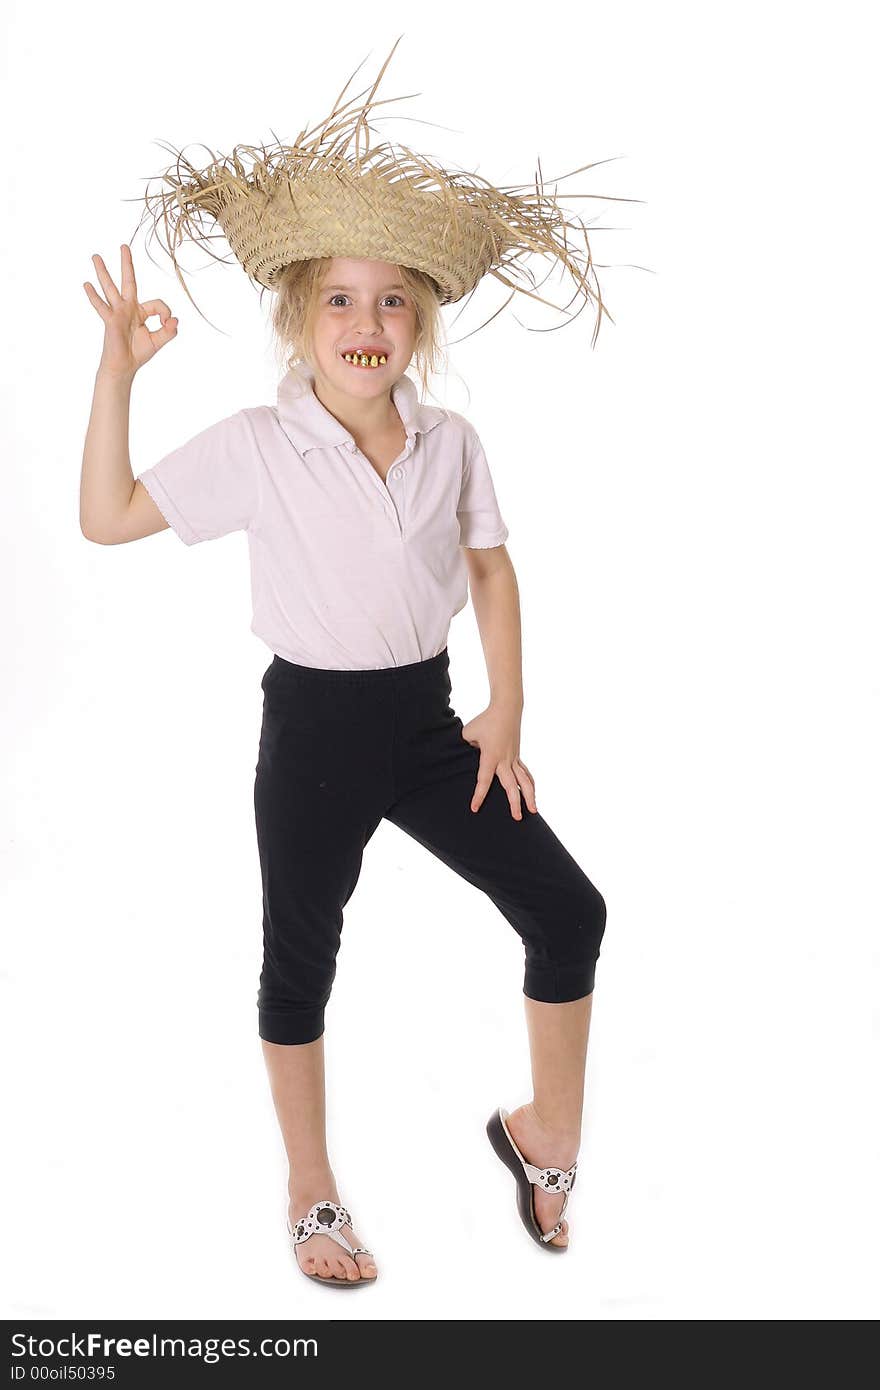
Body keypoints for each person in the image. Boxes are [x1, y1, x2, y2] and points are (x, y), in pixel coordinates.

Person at [80, 40, 625, 1289]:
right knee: (298, 960)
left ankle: (545, 1138)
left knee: (568, 910)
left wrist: (505, 708)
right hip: (315, 732)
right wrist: (115, 372)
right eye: (337, 299)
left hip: (432, 727)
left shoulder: (451, 442)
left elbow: (489, 569)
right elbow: (106, 516)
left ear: (419, 324)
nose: (365, 324)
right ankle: (310, 1190)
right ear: (296, 318)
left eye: (389, 302)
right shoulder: (258, 446)